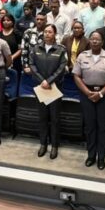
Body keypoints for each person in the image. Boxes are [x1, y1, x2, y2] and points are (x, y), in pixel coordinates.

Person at [73, 30, 105, 170]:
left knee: (103, 127)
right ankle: (91, 155)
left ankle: (101, 157)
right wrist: (87, 92)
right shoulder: (82, 56)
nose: (94, 41)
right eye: (92, 39)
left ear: (102, 42)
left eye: (97, 39)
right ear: (89, 41)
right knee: (90, 127)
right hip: (86, 94)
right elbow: (77, 76)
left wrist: (100, 93)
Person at [29, 24, 69, 159]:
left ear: (55, 34)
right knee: (42, 118)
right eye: (45, 32)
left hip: (55, 88)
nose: (47, 34)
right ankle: (43, 144)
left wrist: (50, 81)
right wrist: (42, 81)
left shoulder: (61, 49)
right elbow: (32, 65)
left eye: (50, 32)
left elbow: (62, 67)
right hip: (41, 88)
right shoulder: (36, 48)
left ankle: (54, 145)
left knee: (55, 118)